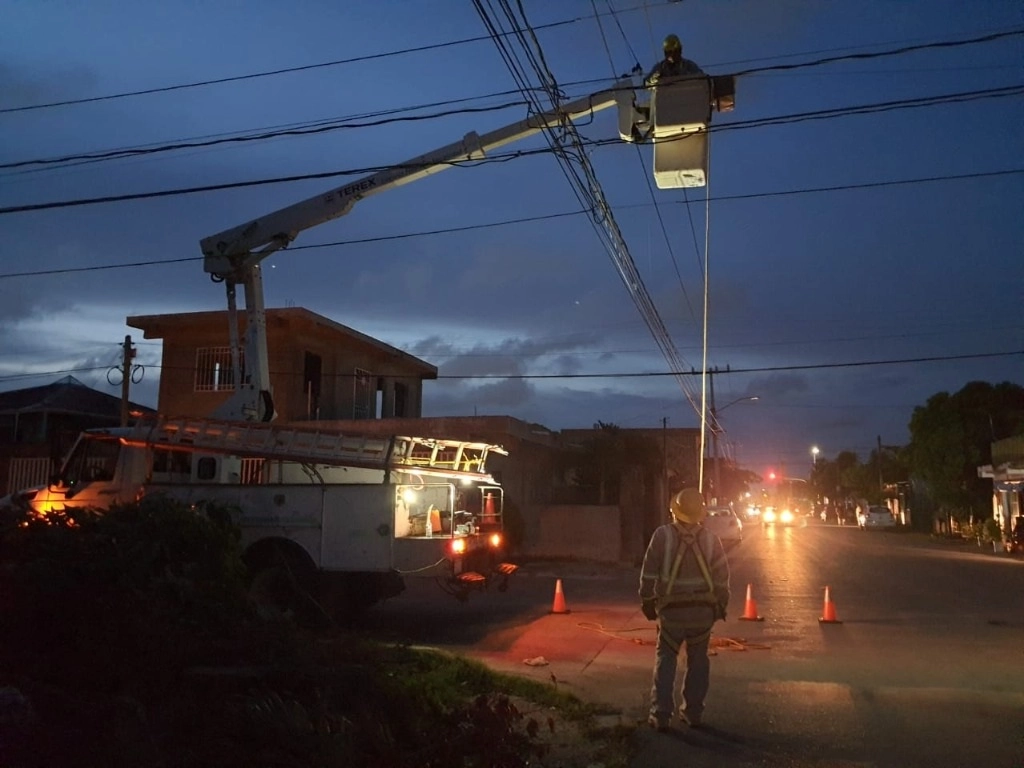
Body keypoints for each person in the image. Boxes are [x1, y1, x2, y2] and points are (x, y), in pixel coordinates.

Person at [639, 487, 730, 731]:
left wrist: (647, 601)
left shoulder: (662, 536)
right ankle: (693, 713)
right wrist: (721, 605)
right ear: (700, 513)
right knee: (698, 661)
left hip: (671, 614)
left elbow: (648, 572)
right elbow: (722, 578)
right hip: (702, 614)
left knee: (666, 659)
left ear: (674, 511)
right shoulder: (711, 539)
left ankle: (660, 715)